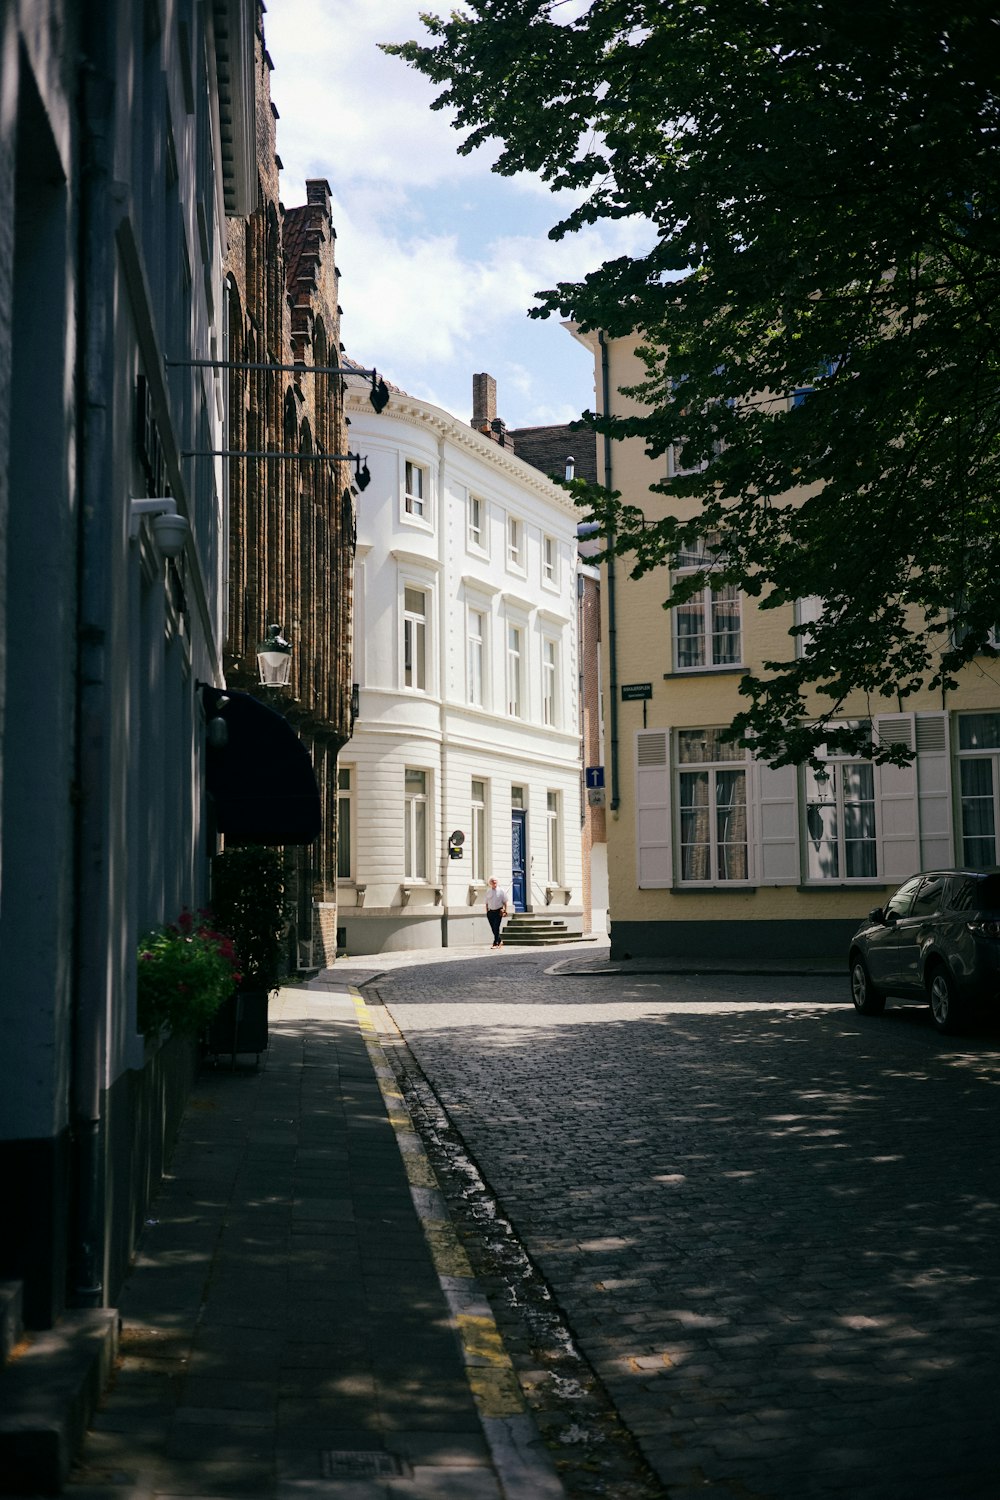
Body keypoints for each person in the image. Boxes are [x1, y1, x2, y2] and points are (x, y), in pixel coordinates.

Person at [484, 877, 508, 948]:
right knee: (493, 928)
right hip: (490, 911)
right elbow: (486, 902)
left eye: (495, 882)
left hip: (498, 911)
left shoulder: (501, 891)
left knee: (496, 926)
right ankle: (499, 940)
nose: (494, 883)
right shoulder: (488, 891)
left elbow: (505, 901)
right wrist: (487, 912)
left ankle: (496, 943)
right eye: (492, 882)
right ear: (490, 883)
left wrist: (505, 911)